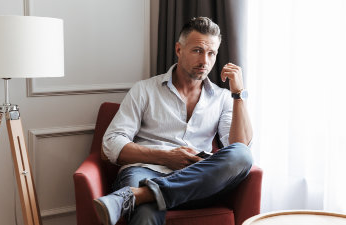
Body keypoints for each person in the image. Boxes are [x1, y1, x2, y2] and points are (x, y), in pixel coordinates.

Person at [94, 17, 253, 225]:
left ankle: (137, 195)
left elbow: (239, 146)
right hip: (145, 170)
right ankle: (144, 196)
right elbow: (111, 144)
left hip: (197, 181)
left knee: (242, 154)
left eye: (211, 53)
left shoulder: (222, 98)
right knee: (146, 212)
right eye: (197, 50)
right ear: (179, 49)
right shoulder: (145, 90)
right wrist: (165, 157)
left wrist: (238, 94)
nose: (205, 61)